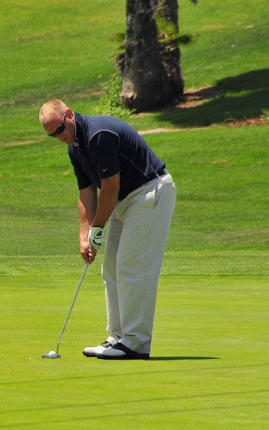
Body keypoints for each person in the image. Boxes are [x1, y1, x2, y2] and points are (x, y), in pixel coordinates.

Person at [39, 99, 176, 359]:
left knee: (130, 267)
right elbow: (86, 193)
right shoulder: (74, 148)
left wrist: (98, 227)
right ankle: (117, 337)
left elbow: (110, 186)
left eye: (59, 129)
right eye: (52, 135)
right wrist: (85, 235)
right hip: (125, 201)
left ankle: (135, 342)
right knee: (110, 269)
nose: (59, 136)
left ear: (69, 114)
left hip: (150, 192)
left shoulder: (97, 134)